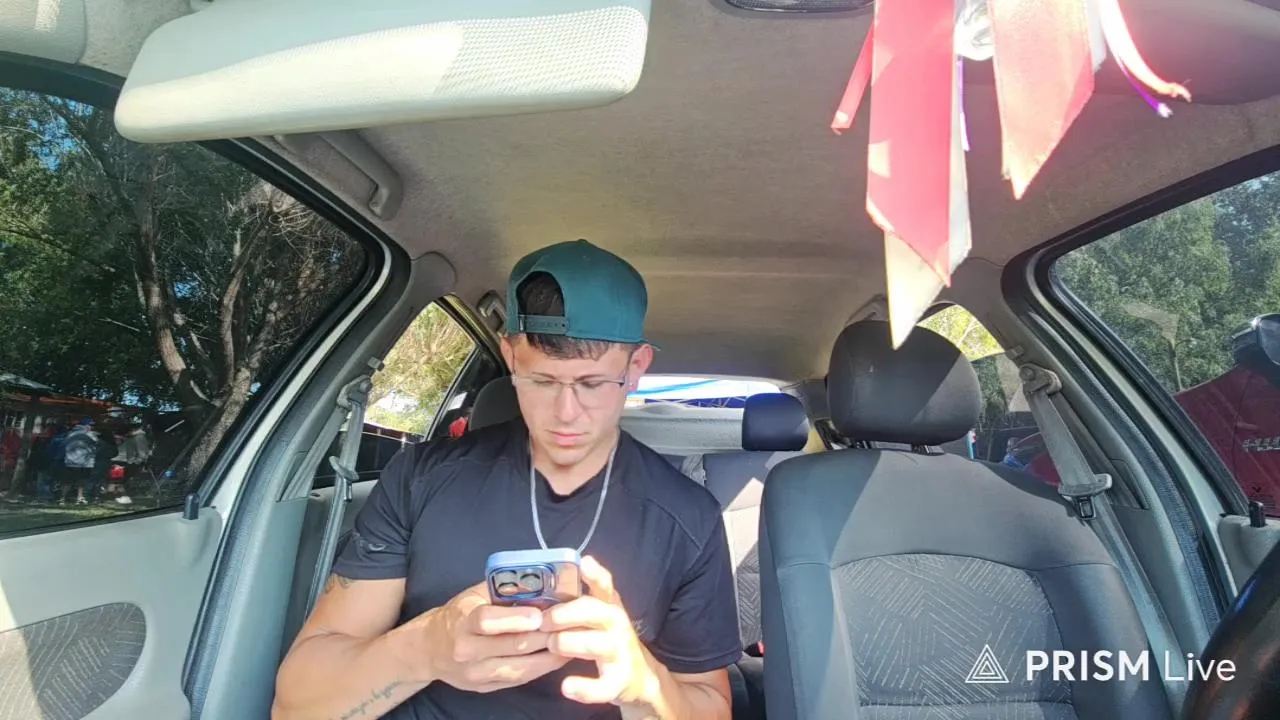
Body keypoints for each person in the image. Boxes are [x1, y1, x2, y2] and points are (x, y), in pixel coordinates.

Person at [274, 240, 740, 720]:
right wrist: (427, 648)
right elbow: (295, 707)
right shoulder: (420, 478)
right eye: (542, 381)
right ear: (511, 358)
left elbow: (710, 704)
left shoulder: (688, 518)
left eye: (593, 383)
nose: (566, 412)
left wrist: (645, 685)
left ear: (636, 367)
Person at [62, 418, 99, 505]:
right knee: (82, 481)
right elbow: (97, 443)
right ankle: (79, 498)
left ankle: (62, 498)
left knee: (67, 481)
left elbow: (64, 444)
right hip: (84, 462)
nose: (92, 427)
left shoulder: (70, 434)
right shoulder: (90, 434)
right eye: (90, 425)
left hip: (70, 461)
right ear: (85, 425)